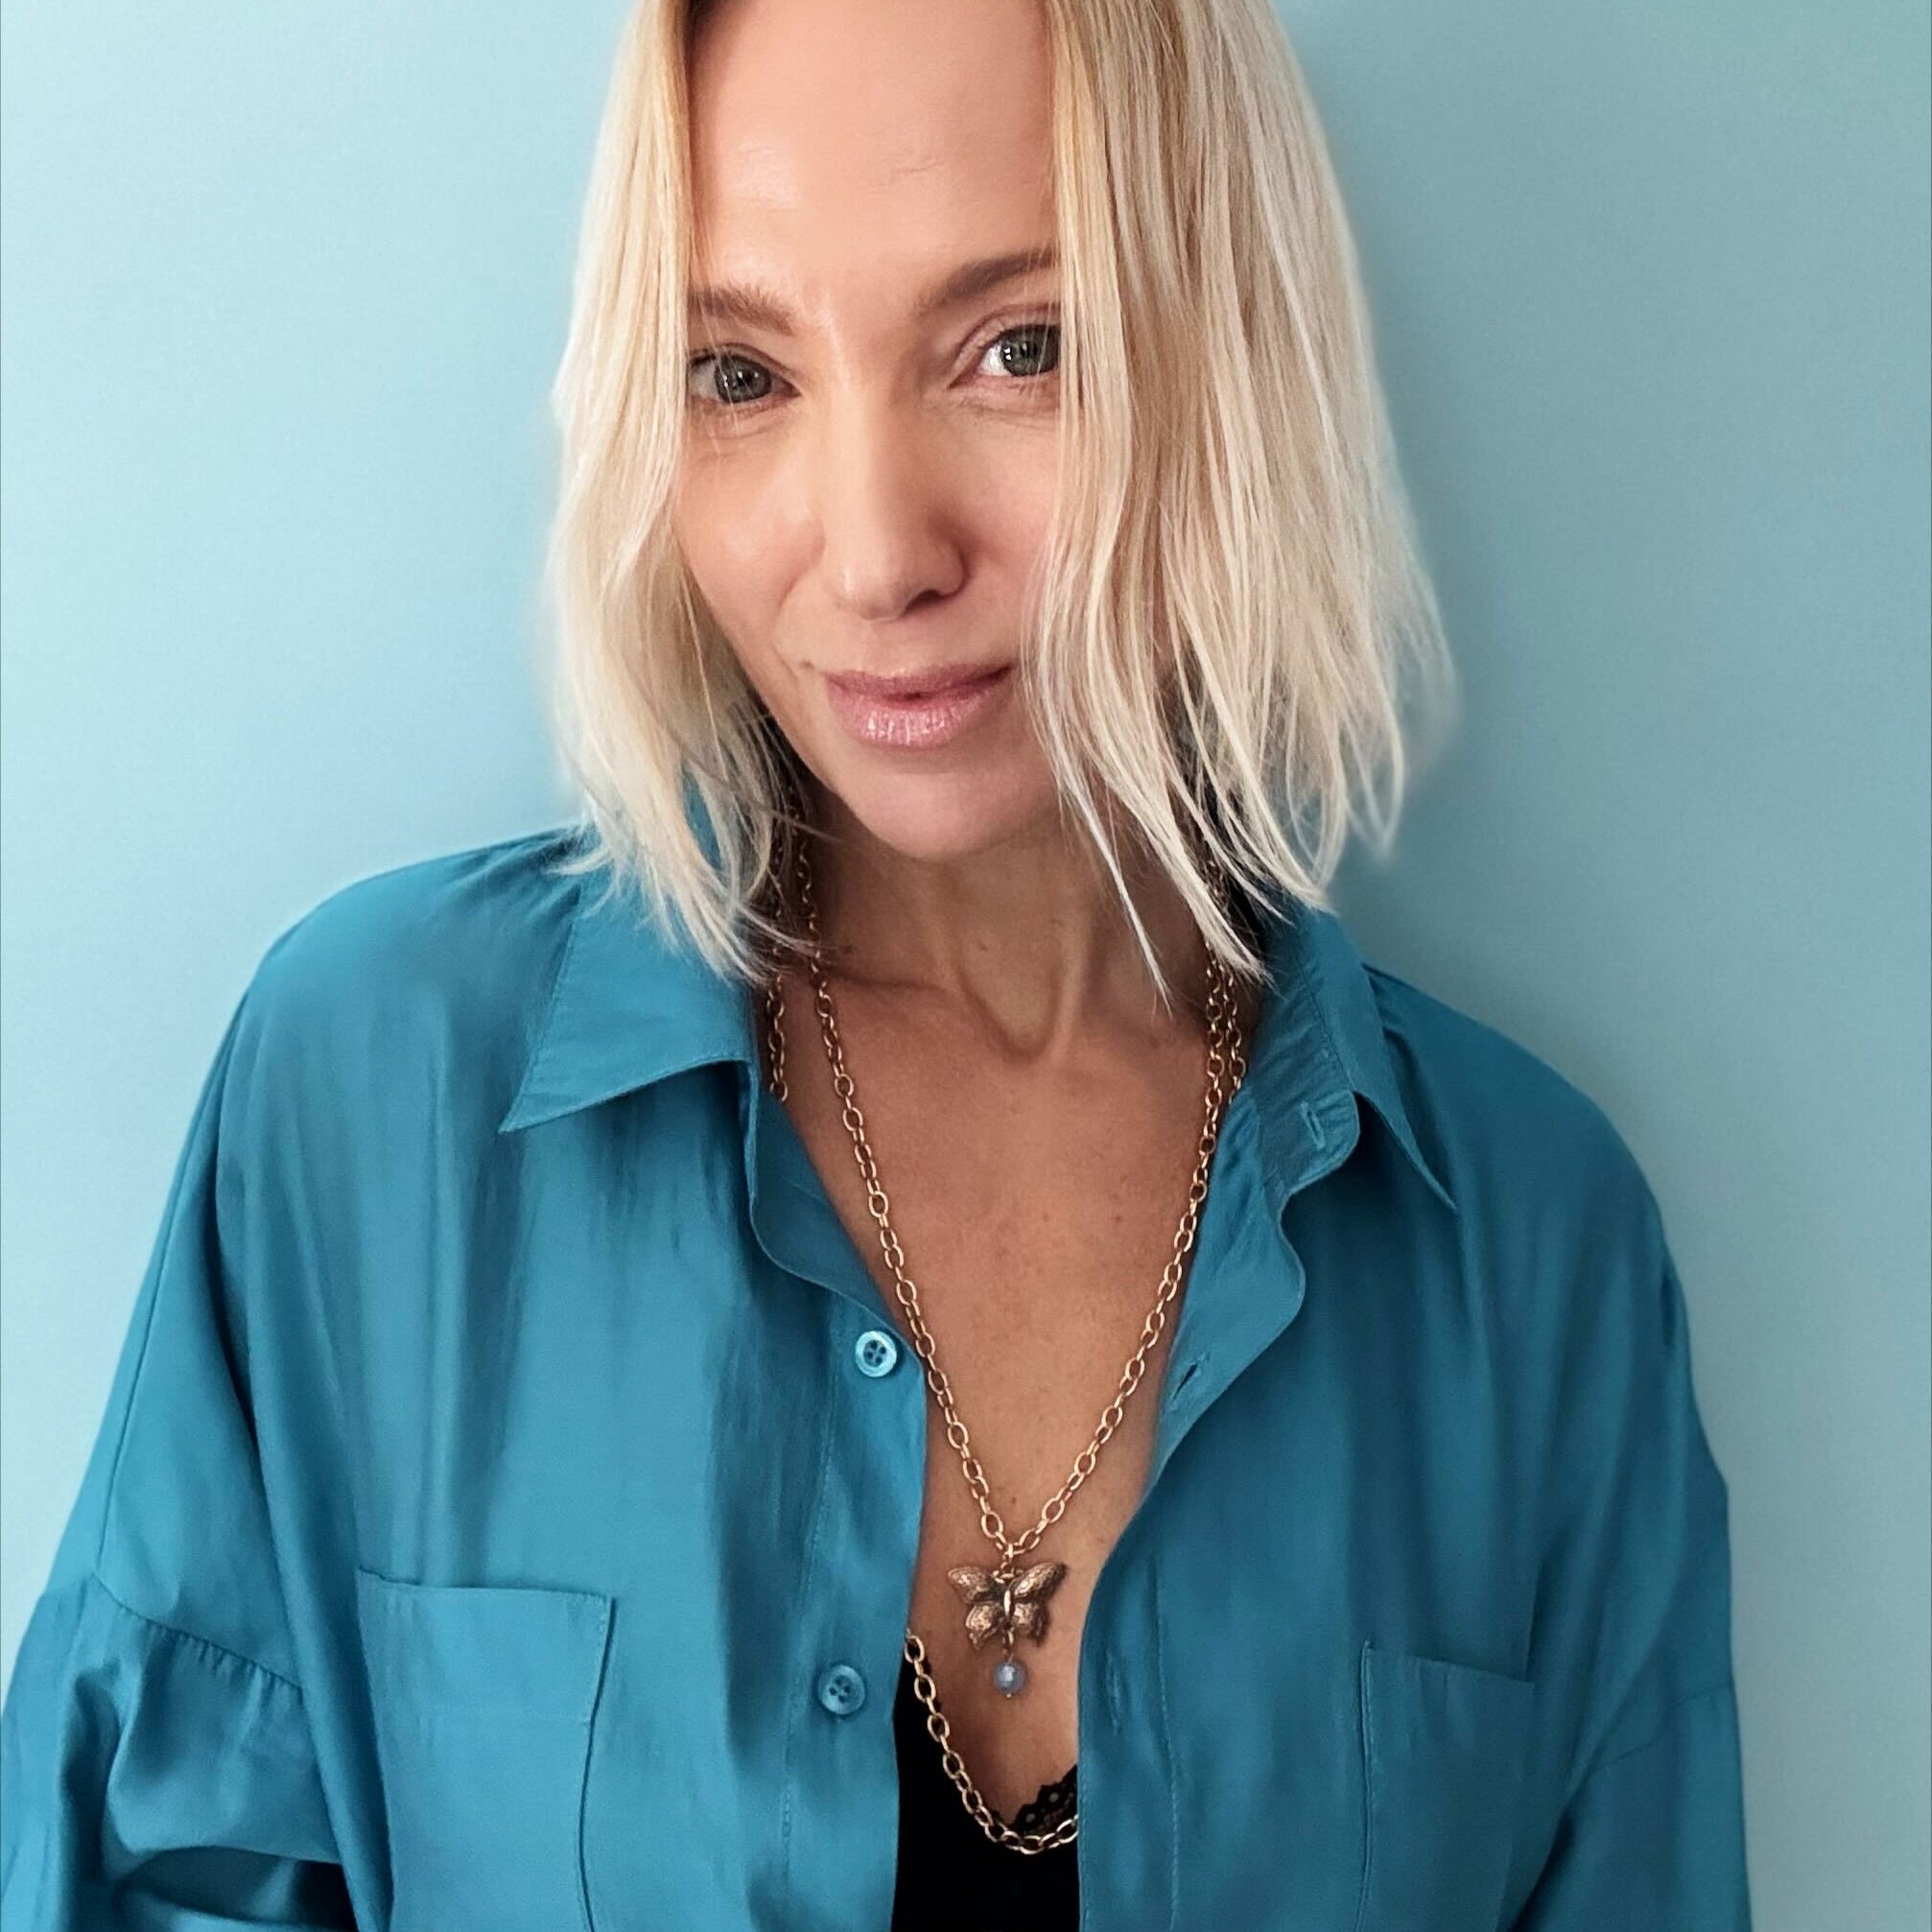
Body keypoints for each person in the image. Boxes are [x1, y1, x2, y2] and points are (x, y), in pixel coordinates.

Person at [0, 0, 1754, 1925]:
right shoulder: (378, 1093)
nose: (871, 553)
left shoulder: (1529, 1244)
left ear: (1228, 349)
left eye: (1020, 347)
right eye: (739, 372)